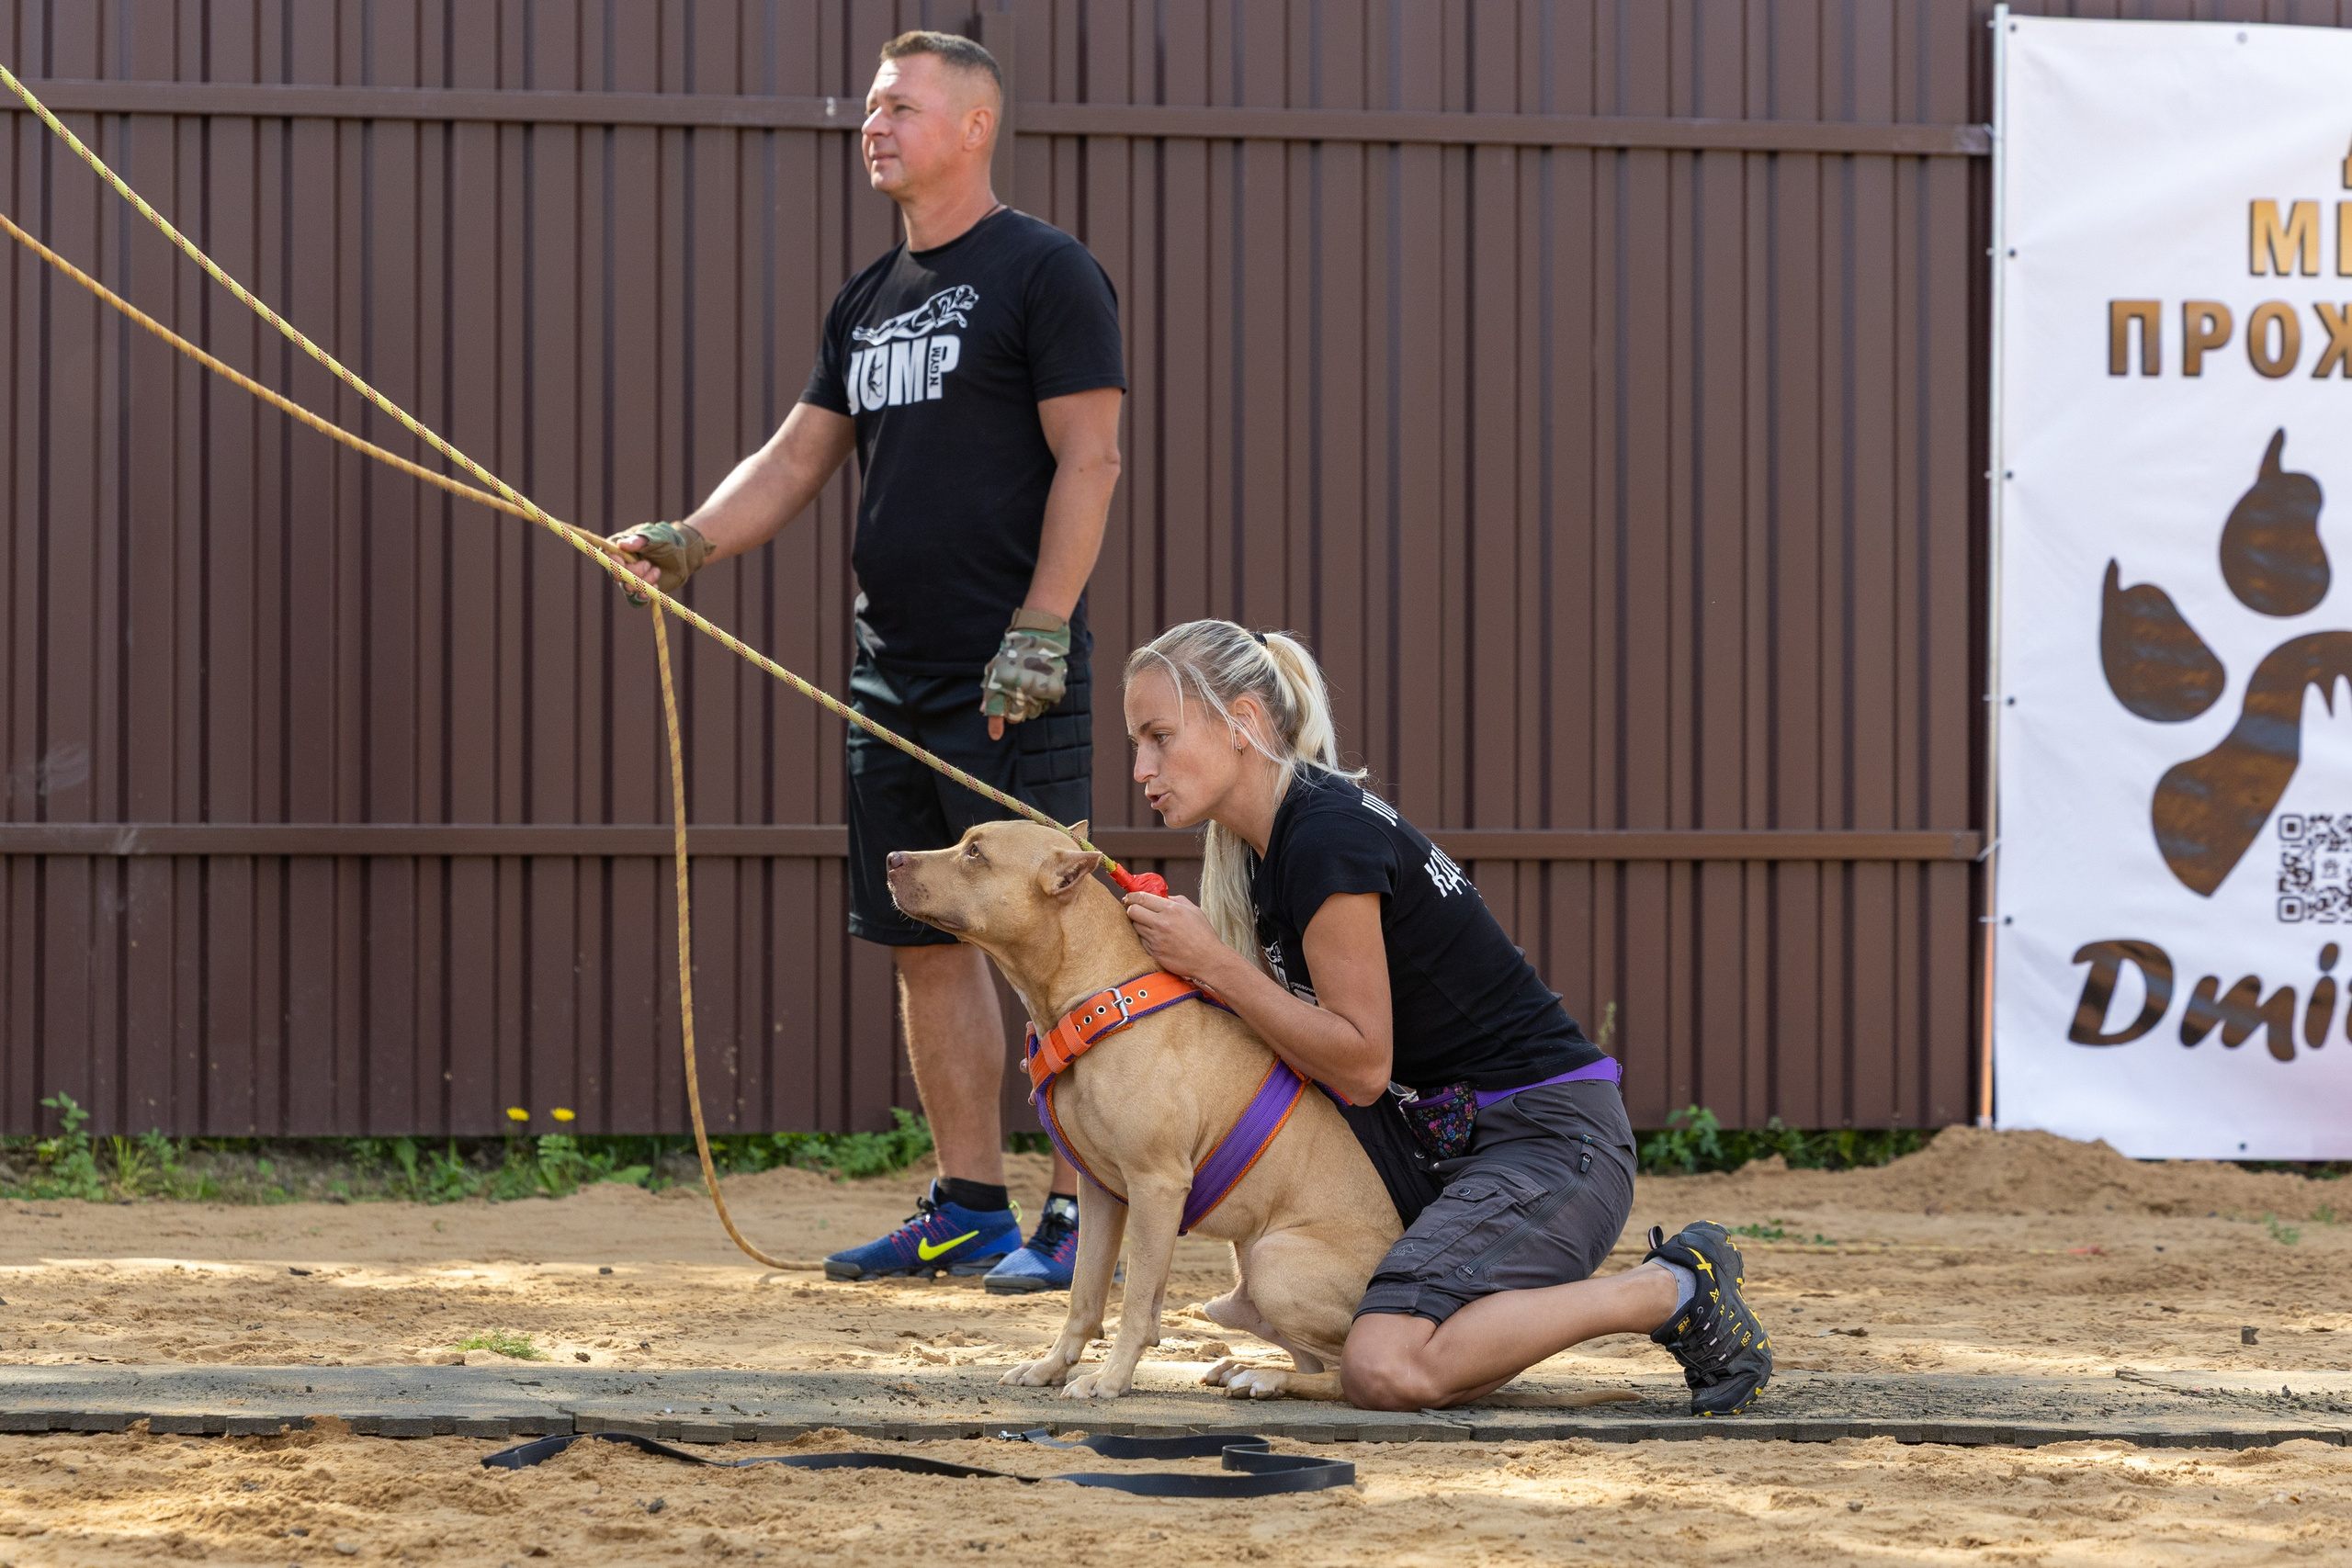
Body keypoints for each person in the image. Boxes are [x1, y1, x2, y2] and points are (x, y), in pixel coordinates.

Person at [607, 30, 1123, 1293]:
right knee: (923, 939)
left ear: (975, 125)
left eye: (901, 106)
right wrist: (689, 540)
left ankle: (1078, 1211)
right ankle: (968, 1206)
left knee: (1058, 946)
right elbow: (795, 456)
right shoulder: (868, 298)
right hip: (891, 674)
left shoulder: (1047, 271)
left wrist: (1042, 626)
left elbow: (1092, 455)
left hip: (1011, 674)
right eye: (872, 106)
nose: (873, 125)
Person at [1114, 620, 1772, 1414]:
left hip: (1551, 1143)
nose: (1141, 768)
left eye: (1159, 737)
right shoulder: (1270, 848)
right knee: (1414, 1354)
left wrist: (1216, 966)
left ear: (1243, 722)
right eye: (1136, 743)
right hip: (1443, 1146)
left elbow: (1362, 1065)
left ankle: (1669, 1286)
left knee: (1385, 1367)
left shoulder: (1324, 837)